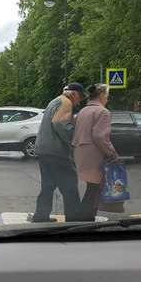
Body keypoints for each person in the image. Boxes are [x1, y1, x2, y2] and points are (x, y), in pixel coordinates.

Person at [32, 82, 85, 222]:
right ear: (73, 94)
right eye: (79, 97)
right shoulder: (65, 102)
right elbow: (59, 123)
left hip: (44, 149)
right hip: (57, 151)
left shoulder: (55, 101)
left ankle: (41, 215)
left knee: (48, 185)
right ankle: (74, 219)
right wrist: (75, 139)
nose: (79, 101)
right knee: (70, 183)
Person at [71, 83, 119, 221]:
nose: (107, 99)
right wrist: (112, 154)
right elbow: (99, 136)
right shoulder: (103, 112)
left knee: (91, 187)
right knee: (94, 189)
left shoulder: (83, 111)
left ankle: (82, 216)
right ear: (102, 96)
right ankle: (85, 219)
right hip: (94, 153)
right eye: (107, 96)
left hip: (80, 152)